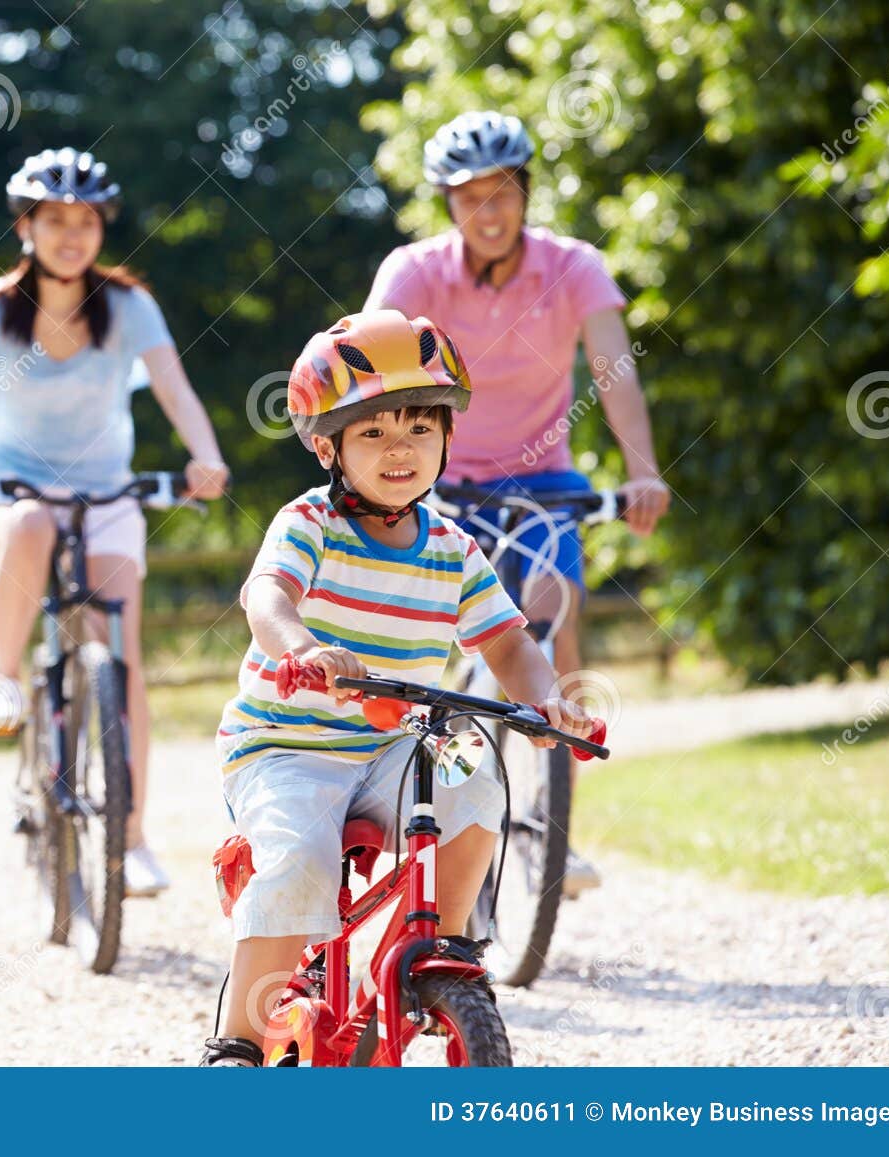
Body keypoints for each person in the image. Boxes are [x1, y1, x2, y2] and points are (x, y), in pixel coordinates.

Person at [198, 310, 594, 1066]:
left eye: (419, 427)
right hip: (288, 746)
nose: (400, 448)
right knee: (298, 860)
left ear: (447, 437)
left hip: (392, 746)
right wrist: (305, 647)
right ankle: (238, 1043)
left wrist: (544, 698)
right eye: (373, 432)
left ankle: (438, 947)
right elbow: (266, 598)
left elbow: (510, 641)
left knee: (476, 772)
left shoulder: (452, 547)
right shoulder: (308, 522)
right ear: (328, 447)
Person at [363, 110, 670, 895]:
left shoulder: (574, 266)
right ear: (447, 203)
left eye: (503, 193)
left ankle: (554, 833)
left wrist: (643, 471)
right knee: (437, 647)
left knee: (551, 610)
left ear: (526, 193)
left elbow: (615, 374)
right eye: (470, 197)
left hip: (542, 483)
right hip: (441, 480)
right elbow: (372, 362)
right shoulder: (415, 270)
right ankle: (438, 800)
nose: (489, 212)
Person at [0, 147, 229, 897]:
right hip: (7, 489)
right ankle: (2, 679)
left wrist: (206, 455)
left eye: (86, 221)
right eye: (54, 220)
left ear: (102, 229)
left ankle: (132, 839)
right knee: (29, 525)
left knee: (117, 656)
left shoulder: (128, 306)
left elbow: (177, 390)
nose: (71, 234)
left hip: (105, 494)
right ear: (26, 226)